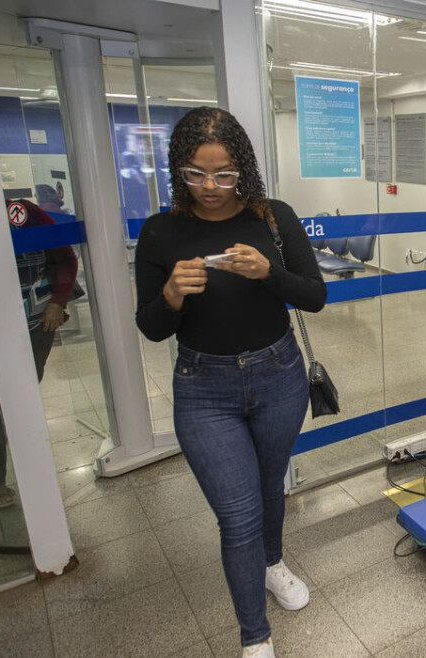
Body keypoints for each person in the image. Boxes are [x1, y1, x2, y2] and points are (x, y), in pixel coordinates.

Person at [134, 107, 326, 657]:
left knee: (269, 487)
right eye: (196, 173)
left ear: (241, 168)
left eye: (223, 174)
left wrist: (269, 273)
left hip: (279, 376)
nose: (210, 187)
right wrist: (172, 293)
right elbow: (151, 328)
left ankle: (272, 564)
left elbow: (314, 295)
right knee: (237, 514)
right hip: (204, 388)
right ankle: (255, 637)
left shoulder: (272, 218)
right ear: (179, 169)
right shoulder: (161, 231)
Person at [0, 197, 78, 510]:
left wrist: (58, 301)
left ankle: (32, 470)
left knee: (23, 395)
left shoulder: (25, 213)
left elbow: (65, 257)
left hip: (34, 323)